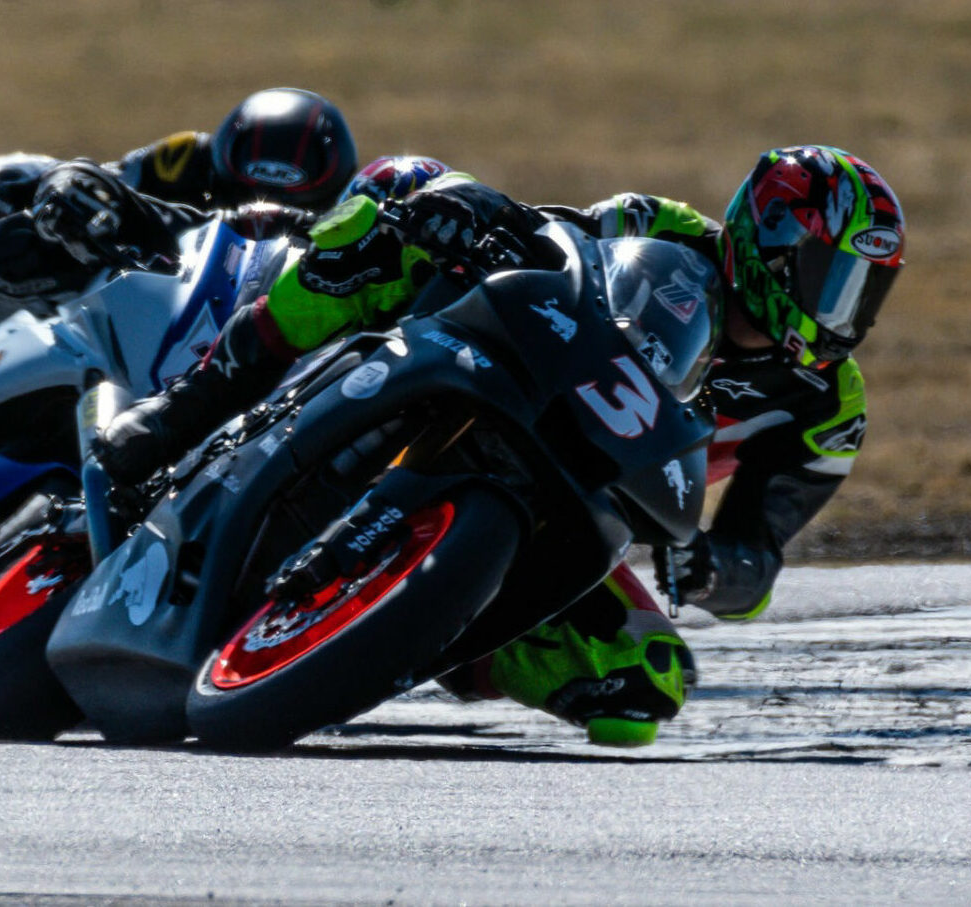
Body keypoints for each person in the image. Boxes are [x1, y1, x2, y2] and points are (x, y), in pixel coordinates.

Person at [93, 145, 907, 747]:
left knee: (643, 681)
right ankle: (185, 409)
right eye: (827, 276)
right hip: (508, 380)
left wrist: (714, 572)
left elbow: (757, 561)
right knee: (388, 221)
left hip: (584, 507)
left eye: (864, 292)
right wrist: (476, 215)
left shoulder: (829, 406)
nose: (844, 312)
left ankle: (415, 637)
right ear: (769, 242)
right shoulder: (661, 230)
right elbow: (555, 246)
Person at [0, 88, 359, 450]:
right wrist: (13, 191)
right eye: (246, 191)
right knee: (24, 247)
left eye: (292, 204)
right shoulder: (182, 158)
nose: (265, 208)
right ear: (221, 173)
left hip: (201, 366)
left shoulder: (335, 257)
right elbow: (92, 184)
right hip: (123, 293)